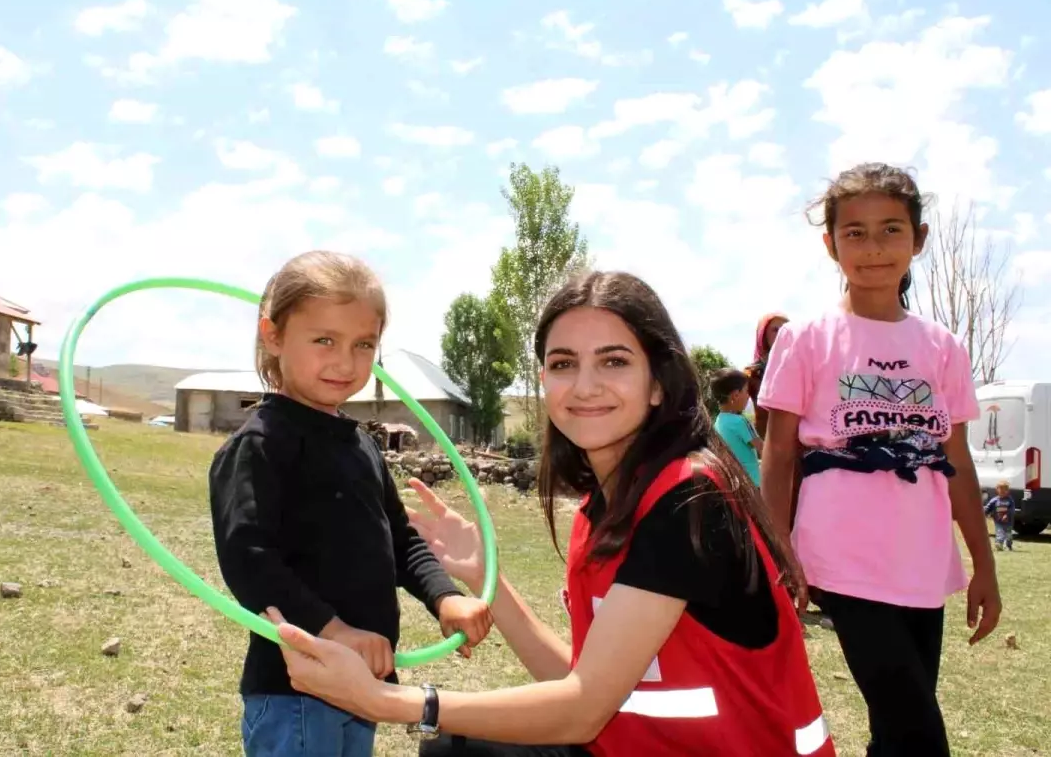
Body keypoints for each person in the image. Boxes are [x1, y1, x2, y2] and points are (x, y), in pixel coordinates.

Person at [265, 269, 836, 757]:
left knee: (452, 741)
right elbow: (580, 681)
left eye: (613, 361)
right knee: (458, 748)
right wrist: (488, 578)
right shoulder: (605, 507)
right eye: (563, 364)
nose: (584, 386)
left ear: (658, 382)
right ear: (543, 379)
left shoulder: (688, 498)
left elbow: (582, 710)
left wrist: (387, 701)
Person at [757, 162, 1002, 757]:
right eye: (856, 232)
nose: (873, 247)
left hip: (922, 564)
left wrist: (983, 564)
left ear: (918, 239)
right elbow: (780, 449)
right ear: (830, 243)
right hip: (839, 557)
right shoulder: (807, 338)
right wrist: (778, 546)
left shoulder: (942, 347)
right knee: (919, 734)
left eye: (891, 230)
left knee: (895, 732)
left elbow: (960, 464)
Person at [207, 250, 493, 757]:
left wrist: (445, 597)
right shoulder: (261, 445)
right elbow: (248, 560)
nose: (345, 362)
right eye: (324, 340)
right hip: (298, 688)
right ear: (273, 335)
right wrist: (334, 631)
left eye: (364, 344)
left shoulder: (359, 444)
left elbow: (402, 540)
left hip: (362, 687)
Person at [710, 367, 762, 487]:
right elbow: (763, 449)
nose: (748, 396)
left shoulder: (718, 422)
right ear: (735, 396)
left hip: (735, 484)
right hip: (753, 484)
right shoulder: (741, 422)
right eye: (746, 391)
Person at [746, 312, 788, 439]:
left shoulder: (801, 367)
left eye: (785, 329)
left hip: (798, 441)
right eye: (775, 330)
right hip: (767, 441)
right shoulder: (752, 374)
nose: (782, 334)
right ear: (763, 336)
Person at [984, 481, 1016, 552]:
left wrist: (1007, 515)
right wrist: (984, 513)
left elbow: (1012, 509)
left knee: (1008, 535)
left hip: (1008, 522)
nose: (1002, 491)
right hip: (998, 521)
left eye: (1005, 490)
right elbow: (988, 508)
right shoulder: (994, 500)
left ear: (1008, 491)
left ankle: (1008, 545)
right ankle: (999, 544)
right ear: (997, 490)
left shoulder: (1010, 500)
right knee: (999, 532)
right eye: (1000, 489)